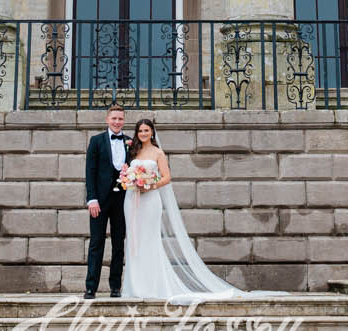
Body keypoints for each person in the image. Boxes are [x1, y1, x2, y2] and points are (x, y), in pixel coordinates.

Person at [116, 117, 248, 300]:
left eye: (146, 130)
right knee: (133, 242)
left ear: (152, 132)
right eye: (140, 131)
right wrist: (130, 181)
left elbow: (166, 177)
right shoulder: (133, 151)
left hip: (150, 200)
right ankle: (134, 287)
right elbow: (125, 172)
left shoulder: (158, 153)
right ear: (137, 133)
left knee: (149, 240)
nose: (143, 134)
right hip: (131, 201)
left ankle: (153, 287)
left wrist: (149, 185)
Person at [82, 105, 130, 298]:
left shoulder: (130, 142)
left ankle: (115, 286)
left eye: (120, 119)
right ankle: (91, 287)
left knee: (119, 244)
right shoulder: (96, 141)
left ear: (124, 120)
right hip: (99, 201)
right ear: (107, 120)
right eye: (114, 118)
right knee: (96, 242)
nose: (117, 122)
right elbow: (90, 172)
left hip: (122, 200)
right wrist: (91, 199)